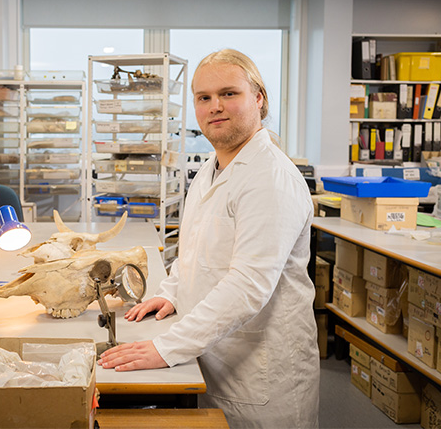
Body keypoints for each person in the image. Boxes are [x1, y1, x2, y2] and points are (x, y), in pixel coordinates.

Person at [98, 49, 320, 428]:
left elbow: (248, 285)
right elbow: (195, 253)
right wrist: (170, 292)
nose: (215, 106)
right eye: (203, 98)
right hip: (214, 353)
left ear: (258, 99)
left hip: (261, 373)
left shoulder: (270, 179)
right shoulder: (210, 169)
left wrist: (165, 347)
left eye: (229, 93)